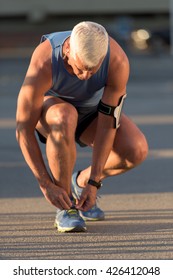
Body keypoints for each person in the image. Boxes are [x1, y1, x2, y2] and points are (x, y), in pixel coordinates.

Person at [16, 21, 148, 233]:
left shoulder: (117, 61)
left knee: (136, 149)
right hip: (53, 113)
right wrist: (46, 184)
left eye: (92, 70)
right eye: (79, 68)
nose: (85, 76)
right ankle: (66, 205)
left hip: (91, 114)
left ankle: (79, 182)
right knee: (64, 115)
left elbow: (107, 125)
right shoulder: (44, 61)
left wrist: (93, 182)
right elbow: (23, 129)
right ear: (67, 50)